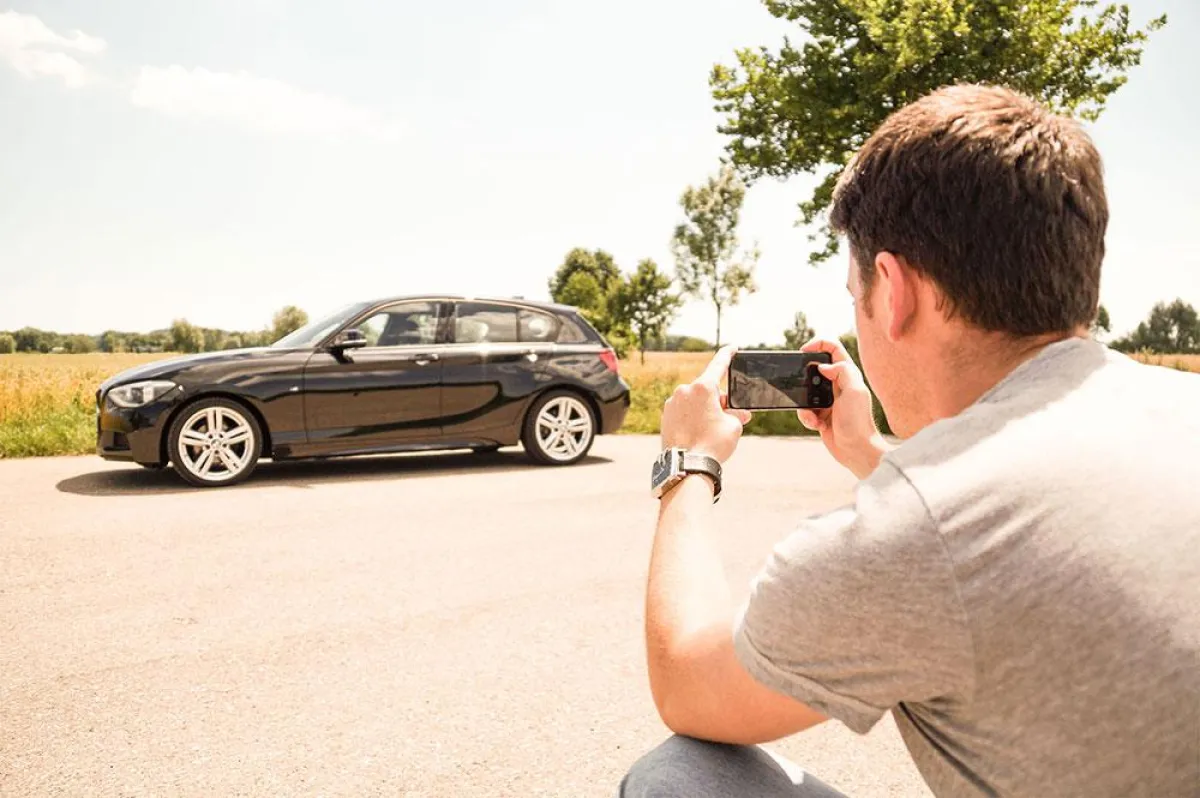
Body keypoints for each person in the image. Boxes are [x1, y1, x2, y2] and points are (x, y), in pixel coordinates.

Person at [621, 83, 1200, 797]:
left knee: (678, 776)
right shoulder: (1180, 404)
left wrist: (687, 464)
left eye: (855, 294)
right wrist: (867, 452)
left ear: (893, 291)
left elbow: (687, 683)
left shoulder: (914, 529)